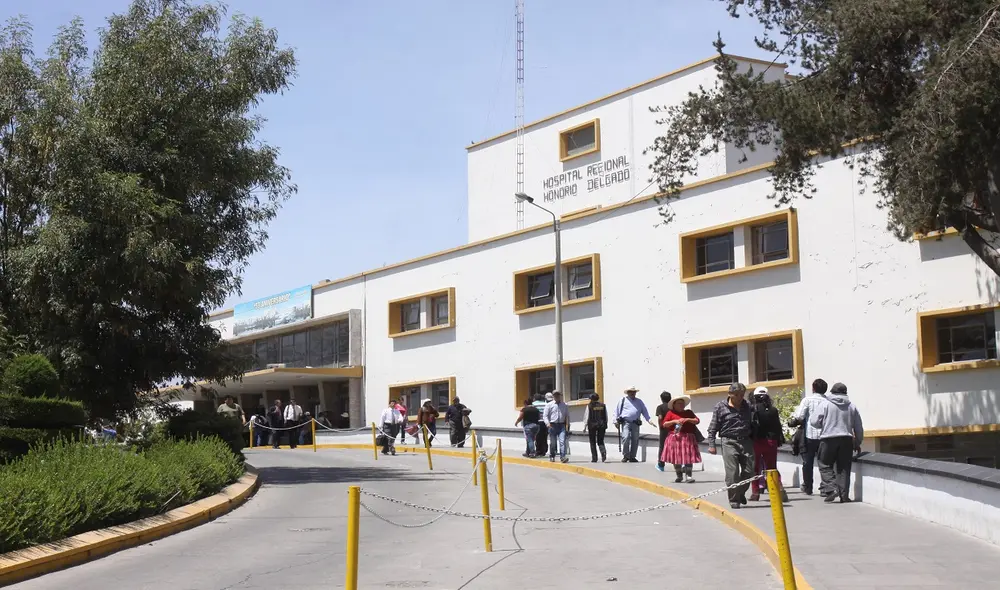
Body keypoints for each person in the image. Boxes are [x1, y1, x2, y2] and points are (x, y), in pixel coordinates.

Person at [810, 382, 864, 503]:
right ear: (845, 393)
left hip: (828, 438)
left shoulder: (825, 404)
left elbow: (813, 422)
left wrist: (823, 424)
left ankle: (831, 487)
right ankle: (844, 496)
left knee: (824, 464)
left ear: (832, 392)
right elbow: (858, 427)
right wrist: (857, 442)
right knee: (844, 468)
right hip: (846, 439)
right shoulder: (851, 406)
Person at [706, 383, 756, 509]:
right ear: (730, 394)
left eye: (742, 395)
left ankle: (740, 492)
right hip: (729, 441)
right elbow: (712, 428)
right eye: (736, 395)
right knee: (732, 473)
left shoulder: (748, 406)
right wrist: (712, 444)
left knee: (749, 471)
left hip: (746, 441)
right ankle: (734, 499)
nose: (740, 397)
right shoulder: (720, 407)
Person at [749, 387, 788, 502]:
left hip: (756, 441)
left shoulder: (752, 409)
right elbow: (778, 427)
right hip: (771, 442)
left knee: (754, 469)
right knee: (772, 468)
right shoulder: (773, 410)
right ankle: (778, 491)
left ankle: (755, 493)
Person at [792, 378, 829, 495]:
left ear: (813, 388)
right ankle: (825, 488)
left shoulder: (807, 400)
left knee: (807, 463)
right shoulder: (828, 402)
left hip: (809, 436)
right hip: (824, 437)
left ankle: (808, 487)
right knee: (825, 463)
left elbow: (800, 416)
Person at [660, 394, 701, 483]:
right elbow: (664, 424)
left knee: (688, 457)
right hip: (675, 438)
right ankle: (679, 475)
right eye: (679, 403)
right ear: (674, 405)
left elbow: (697, 420)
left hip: (687, 437)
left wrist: (687, 419)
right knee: (676, 458)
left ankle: (689, 476)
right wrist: (674, 421)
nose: (681, 405)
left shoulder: (689, 412)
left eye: (682, 403)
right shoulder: (670, 413)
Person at [613, 387, 654, 463]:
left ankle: (632, 456)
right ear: (627, 393)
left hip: (635, 422)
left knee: (635, 439)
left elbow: (644, 411)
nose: (632, 393)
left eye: (634, 392)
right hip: (626, 422)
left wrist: (649, 420)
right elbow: (616, 411)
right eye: (630, 392)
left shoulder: (639, 401)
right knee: (625, 437)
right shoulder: (623, 400)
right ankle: (626, 455)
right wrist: (615, 421)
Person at [543, 390, 570, 463]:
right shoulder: (549, 405)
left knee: (562, 442)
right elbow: (545, 416)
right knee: (553, 443)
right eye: (555, 395)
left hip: (561, 425)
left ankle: (563, 457)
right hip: (552, 425)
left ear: (560, 396)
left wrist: (567, 426)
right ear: (553, 396)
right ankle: (552, 456)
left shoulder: (564, 405)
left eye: (558, 395)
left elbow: (567, 416)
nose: (556, 396)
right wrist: (548, 424)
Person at [582, 393, 608, 463]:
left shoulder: (589, 406)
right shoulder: (603, 405)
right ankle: (603, 452)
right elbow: (606, 416)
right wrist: (605, 424)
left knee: (592, 442)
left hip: (592, 425)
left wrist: (584, 426)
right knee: (600, 441)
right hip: (602, 425)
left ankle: (594, 458)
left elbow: (586, 416)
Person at [654, 391, 673, 472]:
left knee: (662, 446)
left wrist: (660, 427)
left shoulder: (660, 407)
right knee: (674, 445)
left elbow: (660, 418)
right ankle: (680, 462)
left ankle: (661, 464)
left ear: (661, 399)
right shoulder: (673, 407)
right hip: (672, 428)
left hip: (664, 429)